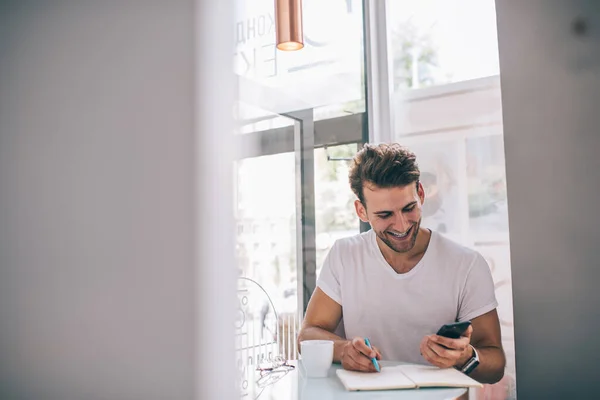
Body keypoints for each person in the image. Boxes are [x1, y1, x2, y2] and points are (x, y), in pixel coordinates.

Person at [297, 143, 505, 384]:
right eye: (385, 215)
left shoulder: (467, 265)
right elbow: (308, 336)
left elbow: (495, 364)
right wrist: (344, 350)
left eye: (409, 208)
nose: (402, 225)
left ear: (421, 194)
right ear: (361, 211)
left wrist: (465, 356)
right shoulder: (344, 255)